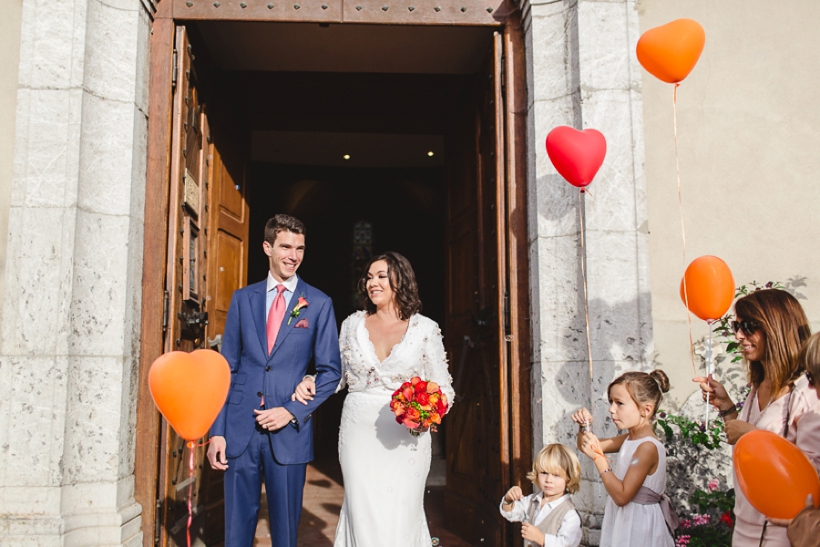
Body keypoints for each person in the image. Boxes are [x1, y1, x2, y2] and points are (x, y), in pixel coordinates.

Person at [292, 251, 455, 547]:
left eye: (381, 276)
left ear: (400, 281)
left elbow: (443, 387)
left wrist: (427, 414)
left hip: (406, 436)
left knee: (402, 511)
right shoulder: (352, 326)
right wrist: (309, 381)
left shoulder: (425, 330)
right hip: (359, 432)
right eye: (369, 277)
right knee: (362, 509)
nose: (372, 283)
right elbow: (336, 375)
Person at [206, 214, 342, 547]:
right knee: (236, 530)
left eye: (299, 248)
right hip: (239, 430)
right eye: (285, 246)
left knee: (285, 532)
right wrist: (217, 431)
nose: (293, 255)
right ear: (268, 247)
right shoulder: (243, 299)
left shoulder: (319, 304)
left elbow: (331, 372)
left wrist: (291, 411)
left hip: (288, 432)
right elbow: (228, 368)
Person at [694, 289, 819, 546]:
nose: (739, 335)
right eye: (737, 325)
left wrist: (753, 434)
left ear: (776, 328)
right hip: (745, 526)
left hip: (784, 533)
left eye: (749, 326)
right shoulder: (759, 383)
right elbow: (747, 449)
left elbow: (812, 474)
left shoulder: (807, 391)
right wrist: (727, 408)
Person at [572, 370, 676, 547]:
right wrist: (584, 426)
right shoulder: (630, 439)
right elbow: (585, 446)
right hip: (625, 517)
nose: (612, 409)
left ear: (646, 409)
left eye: (620, 403)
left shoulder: (647, 448)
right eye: (611, 402)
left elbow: (622, 496)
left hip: (640, 524)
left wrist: (599, 458)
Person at [499, 443, 583, 547]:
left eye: (556, 475)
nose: (548, 480)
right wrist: (508, 499)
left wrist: (541, 539)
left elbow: (567, 544)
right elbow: (510, 513)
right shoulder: (532, 500)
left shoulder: (569, 514)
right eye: (544, 473)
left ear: (569, 478)